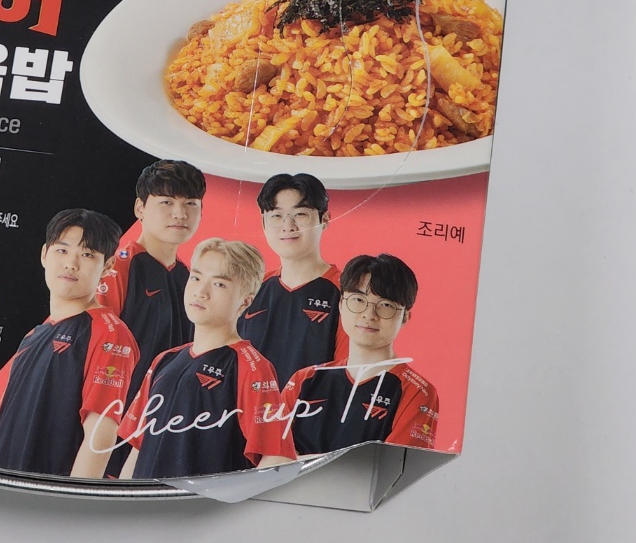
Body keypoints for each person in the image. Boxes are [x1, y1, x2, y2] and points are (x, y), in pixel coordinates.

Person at [118, 238, 295, 478]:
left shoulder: (251, 367)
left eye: (219, 284)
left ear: (246, 299)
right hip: (146, 500)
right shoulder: (164, 360)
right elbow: (139, 447)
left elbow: (277, 457)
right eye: (196, 278)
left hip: (198, 502)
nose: (201, 292)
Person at [0, 209, 140, 479]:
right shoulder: (33, 336)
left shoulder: (109, 334)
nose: (71, 263)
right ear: (44, 254)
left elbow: (99, 435)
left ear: (108, 266)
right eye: (62, 250)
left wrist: (71, 499)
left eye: (87, 254)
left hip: (47, 497)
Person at [280, 253, 439, 454]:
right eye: (358, 299)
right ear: (340, 305)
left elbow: (393, 466)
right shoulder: (304, 380)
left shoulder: (416, 393)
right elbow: (273, 459)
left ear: (405, 317)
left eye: (386, 305)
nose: (369, 315)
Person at [97, 160, 205, 395]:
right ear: (140, 208)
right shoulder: (118, 268)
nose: (180, 214)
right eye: (167, 202)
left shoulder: (190, 278)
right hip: (116, 410)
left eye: (190, 203)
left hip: (167, 411)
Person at [238, 173, 347, 384]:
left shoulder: (347, 293)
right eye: (276, 216)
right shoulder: (250, 289)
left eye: (300, 214)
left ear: (325, 219)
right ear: (263, 223)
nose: (288, 226)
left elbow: (347, 377)